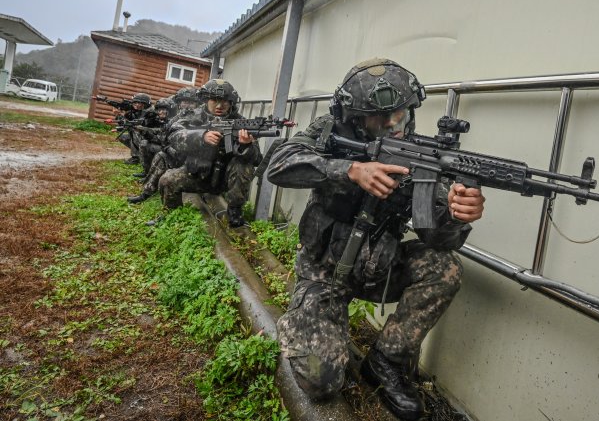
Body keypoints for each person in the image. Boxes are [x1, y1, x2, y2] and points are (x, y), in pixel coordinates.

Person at [266, 58, 485, 420]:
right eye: (377, 119)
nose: (389, 126)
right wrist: (349, 170)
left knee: (443, 267)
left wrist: (460, 214)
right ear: (353, 117)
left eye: (397, 116)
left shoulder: (421, 157)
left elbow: (438, 237)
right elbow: (279, 163)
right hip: (324, 273)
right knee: (321, 382)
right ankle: (300, 319)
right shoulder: (330, 131)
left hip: (377, 268)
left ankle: (386, 361)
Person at [156, 79, 261, 227]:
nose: (219, 105)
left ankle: (235, 213)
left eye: (225, 101)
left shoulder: (241, 123)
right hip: (197, 176)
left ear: (231, 103)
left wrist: (246, 146)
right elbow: (173, 135)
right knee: (167, 180)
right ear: (206, 100)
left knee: (243, 165)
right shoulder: (193, 116)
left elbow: (257, 159)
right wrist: (201, 136)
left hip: (226, 181)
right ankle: (171, 215)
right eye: (214, 100)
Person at [127, 88, 200, 204]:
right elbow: (164, 134)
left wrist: (168, 146)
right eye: (184, 102)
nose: (187, 105)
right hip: (177, 154)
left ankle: (152, 192)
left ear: (197, 104)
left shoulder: (198, 118)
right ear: (179, 103)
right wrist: (146, 132)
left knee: (162, 155)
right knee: (161, 155)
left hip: (193, 161)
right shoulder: (178, 117)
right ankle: (147, 191)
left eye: (191, 102)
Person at [118, 92, 152, 165]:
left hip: (150, 139)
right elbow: (127, 123)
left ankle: (136, 158)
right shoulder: (136, 112)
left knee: (135, 131)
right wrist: (120, 115)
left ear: (146, 104)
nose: (137, 105)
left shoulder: (149, 112)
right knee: (123, 137)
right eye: (135, 102)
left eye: (140, 103)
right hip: (144, 137)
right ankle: (140, 154)